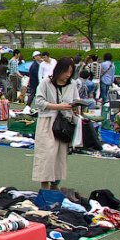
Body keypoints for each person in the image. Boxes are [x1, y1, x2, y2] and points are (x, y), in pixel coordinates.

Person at [33, 57, 80, 191]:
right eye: (66, 71)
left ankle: (55, 184)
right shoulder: (46, 82)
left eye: (70, 72)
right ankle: (44, 184)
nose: (68, 75)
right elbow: (39, 102)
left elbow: (76, 100)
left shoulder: (72, 84)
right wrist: (58, 106)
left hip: (65, 122)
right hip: (47, 121)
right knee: (46, 153)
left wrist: (75, 107)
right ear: (59, 70)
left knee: (60, 155)